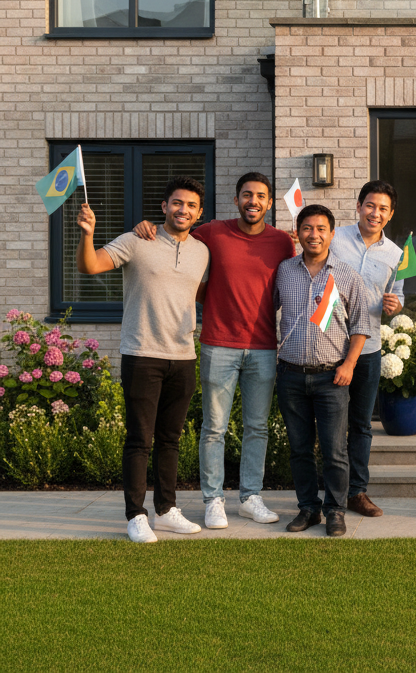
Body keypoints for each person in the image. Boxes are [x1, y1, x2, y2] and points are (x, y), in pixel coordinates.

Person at [133, 172, 293, 529]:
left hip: (264, 346)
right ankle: (214, 500)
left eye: (261, 196)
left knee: (257, 427)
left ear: (269, 203)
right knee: (214, 427)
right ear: (236, 200)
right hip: (218, 343)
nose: (254, 201)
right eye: (247, 195)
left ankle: (250, 497)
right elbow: (173, 235)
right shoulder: (212, 233)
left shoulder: (284, 242)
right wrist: (144, 226)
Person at [76, 177, 210, 544]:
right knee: (140, 440)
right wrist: (87, 234)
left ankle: (166, 510)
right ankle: (136, 515)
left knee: (171, 439)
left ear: (200, 213)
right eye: (177, 203)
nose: (183, 210)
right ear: (164, 206)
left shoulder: (202, 251)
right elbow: (90, 266)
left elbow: (199, 295)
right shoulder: (137, 240)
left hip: (183, 356)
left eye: (191, 206)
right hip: (142, 354)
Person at [274, 204, 372, 537]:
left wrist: (349, 364)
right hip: (290, 374)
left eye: (320, 229)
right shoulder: (284, 271)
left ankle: (335, 510)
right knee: (299, 448)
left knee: (334, 450)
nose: (313, 235)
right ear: (298, 232)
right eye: (307, 228)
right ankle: (308, 508)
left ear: (332, 233)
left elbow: (361, 324)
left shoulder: (345, 275)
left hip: (332, 377)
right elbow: (262, 310)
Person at [326, 180, 404, 519]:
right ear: (359, 206)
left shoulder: (397, 253)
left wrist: (395, 305)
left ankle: (357, 492)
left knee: (360, 424)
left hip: (368, 348)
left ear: (390, 214)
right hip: (326, 344)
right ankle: (330, 491)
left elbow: (398, 295)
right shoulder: (335, 236)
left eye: (383, 208)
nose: (376, 213)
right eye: (370, 205)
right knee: (329, 423)